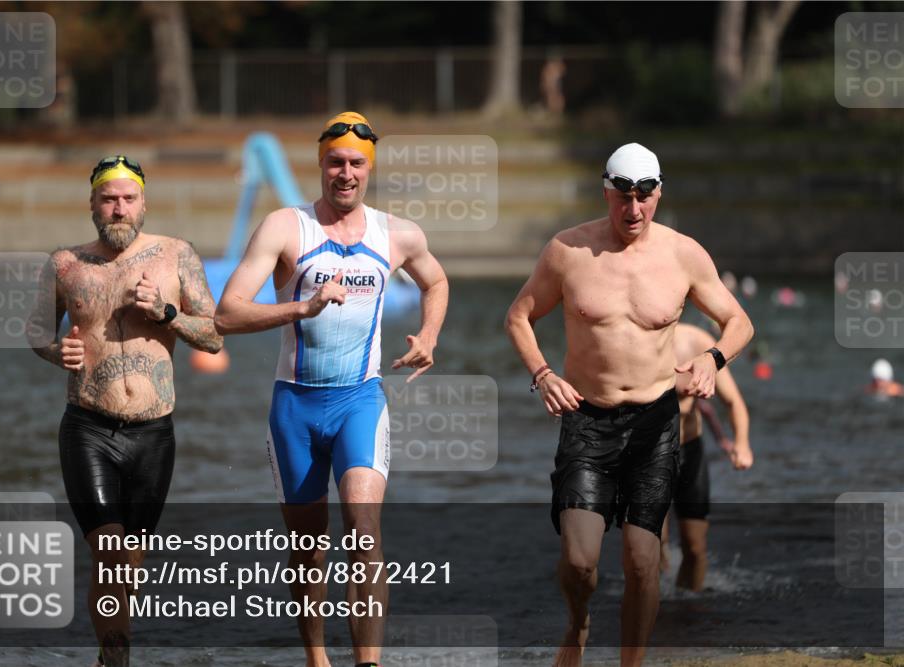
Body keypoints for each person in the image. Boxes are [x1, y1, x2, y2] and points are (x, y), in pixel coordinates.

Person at [505, 143, 753, 667]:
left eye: (644, 197)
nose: (633, 209)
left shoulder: (684, 254)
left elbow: (739, 322)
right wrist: (543, 374)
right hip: (587, 421)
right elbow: (519, 316)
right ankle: (577, 623)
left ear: (659, 193)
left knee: (643, 563)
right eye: (623, 197)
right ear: (607, 192)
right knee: (580, 563)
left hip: (655, 423)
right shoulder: (568, 250)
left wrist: (712, 358)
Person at [214, 112, 448, 667]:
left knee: (364, 533)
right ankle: (316, 657)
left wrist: (429, 336)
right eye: (336, 162)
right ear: (321, 165)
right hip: (294, 406)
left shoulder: (398, 235)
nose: (346, 173)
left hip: (359, 401)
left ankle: (368, 662)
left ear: (370, 169)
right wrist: (302, 307)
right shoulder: (284, 228)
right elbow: (226, 314)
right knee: (308, 549)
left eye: (356, 164)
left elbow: (436, 281)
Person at [28, 155, 223, 667]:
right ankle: (117, 662)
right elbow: (35, 331)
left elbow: (214, 337)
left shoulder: (177, 255)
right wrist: (56, 352)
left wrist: (166, 313)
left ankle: (108, 653)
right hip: (88, 427)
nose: (119, 209)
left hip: (154, 434)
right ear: (92, 204)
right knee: (110, 552)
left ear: (143, 203)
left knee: (129, 566)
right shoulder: (64, 264)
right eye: (109, 199)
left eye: (128, 199)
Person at [659, 322, 753, 591]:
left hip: (689, 450)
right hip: (647, 454)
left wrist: (742, 443)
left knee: (695, 546)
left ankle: (691, 605)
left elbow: (733, 402)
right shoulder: (633, 342)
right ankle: (653, 599)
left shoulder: (698, 341)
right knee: (652, 544)